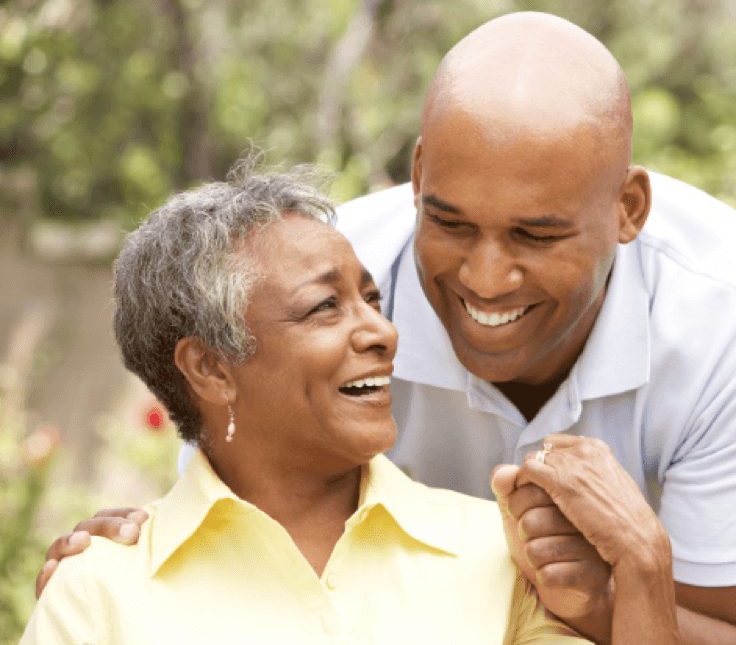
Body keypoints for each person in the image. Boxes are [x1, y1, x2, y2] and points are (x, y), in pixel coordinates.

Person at [37, 12, 736, 645]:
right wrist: (120, 565)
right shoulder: (323, 264)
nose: (485, 275)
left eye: (536, 237)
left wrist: (625, 583)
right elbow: (233, 471)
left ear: (628, 211)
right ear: (415, 177)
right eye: (449, 222)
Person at [22, 163, 606, 643]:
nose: (382, 332)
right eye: (325, 306)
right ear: (210, 368)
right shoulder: (97, 596)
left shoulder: (504, 556)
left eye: (371, 300)